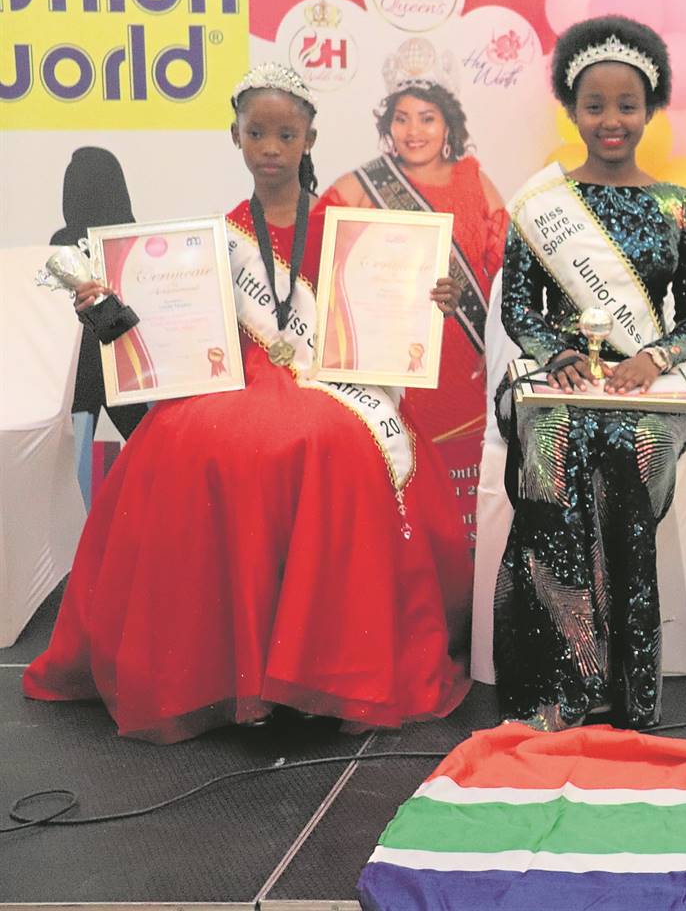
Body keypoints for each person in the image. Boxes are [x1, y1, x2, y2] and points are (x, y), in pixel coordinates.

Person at [24, 65, 472, 743]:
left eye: (285, 135)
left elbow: (376, 320)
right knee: (190, 441)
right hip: (238, 374)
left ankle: (334, 672)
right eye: (256, 133)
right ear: (235, 137)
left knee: (331, 441)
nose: (270, 147)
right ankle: (224, 674)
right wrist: (105, 305)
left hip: (328, 379)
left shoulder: (346, 232)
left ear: (309, 139)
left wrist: (430, 298)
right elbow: (180, 329)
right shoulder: (210, 240)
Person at [495, 15, 686, 731]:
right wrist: (554, 354)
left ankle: (628, 684)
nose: (612, 120)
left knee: (634, 453)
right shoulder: (542, 208)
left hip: (646, 389)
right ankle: (562, 680)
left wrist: (655, 358)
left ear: (652, 110)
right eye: (595, 105)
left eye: (628, 105)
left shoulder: (677, 207)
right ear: (572, 110)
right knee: (552, 449)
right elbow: (518, 309)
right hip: (560, 382)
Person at [325, 38, 508, 544]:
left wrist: (483, 313)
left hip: (464, 367)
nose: (414, 131)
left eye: (427, 118)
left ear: (448, 124)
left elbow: (507, 267)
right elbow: (325, 259)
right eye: (402, 119)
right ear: (388, 126)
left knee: (466, 525)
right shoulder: (363, 185)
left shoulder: (474, 180)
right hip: (394, 370)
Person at [49, 147, 148, 443]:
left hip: (95, 365)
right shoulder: (133, 239)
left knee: (75, 452)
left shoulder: (65, 242)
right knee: (145, 443)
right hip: (119, 362)